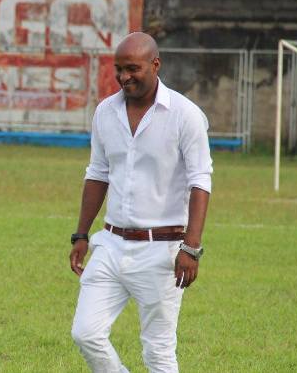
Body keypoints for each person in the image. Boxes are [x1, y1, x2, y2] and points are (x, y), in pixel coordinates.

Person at [69, 32, 212, 373]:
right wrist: (81, 234)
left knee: (158, 352)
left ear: (155, 65)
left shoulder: (185, 115)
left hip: (162, 250)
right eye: (119, 69)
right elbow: (97, 173)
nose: (124, 77)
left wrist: (191, 248)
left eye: (132, 68)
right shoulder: (105, 112)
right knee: (85, 333)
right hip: (111, 244)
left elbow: (200, 181)